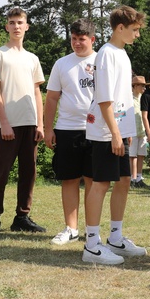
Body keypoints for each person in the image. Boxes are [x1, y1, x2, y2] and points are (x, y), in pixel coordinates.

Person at [82, 6, 149, 265]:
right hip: (105, 132)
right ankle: (91, 245)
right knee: (100, 184)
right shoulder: (107, 54)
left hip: (120, 130)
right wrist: (115, 133)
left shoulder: (121, 53)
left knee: (122, 181)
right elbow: (104, 99)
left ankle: (116, 238)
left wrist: (126, 131)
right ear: (120, 28)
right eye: (134, 30)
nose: (137, 35)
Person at [0, 7, 46, 238]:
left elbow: (37, 92)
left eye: (20, 22)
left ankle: (22, 217)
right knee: (0, 173)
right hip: (7, 124)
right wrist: (5, 122)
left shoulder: (32, 58)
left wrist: (40, 124)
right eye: (12, 22)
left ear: (27, 26)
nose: (16, 26)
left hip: (30, 123)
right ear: (6, 27)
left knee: (28, 173)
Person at [43, 19, 97, 245]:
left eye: (81, 39)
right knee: (69, 179)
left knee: (94, 181)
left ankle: (92, 230)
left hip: (97, 130)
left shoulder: (102, 61)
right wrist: (47, 129)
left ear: (92, 39)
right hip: (66, 128)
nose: (76, 43)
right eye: (73, 39)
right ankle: (71, 228)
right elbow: (52, 98)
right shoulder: (61, 64)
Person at [128, 75, 148, 188]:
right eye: (142, 85)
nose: (144, 88)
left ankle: (139, 178)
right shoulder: (129, 99)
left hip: (142, 130)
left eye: (145, 86)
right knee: (132, 156)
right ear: (135, 86)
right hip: (132, 130)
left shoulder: (143, 98)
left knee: (141, 154)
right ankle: (132, 178)